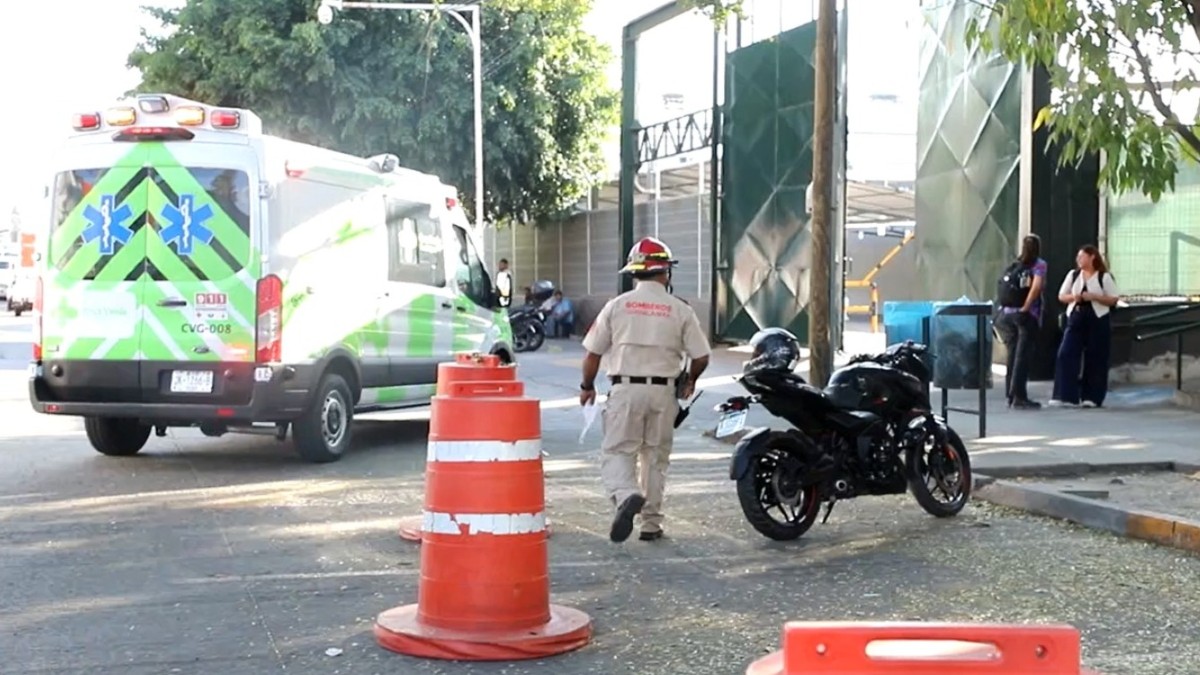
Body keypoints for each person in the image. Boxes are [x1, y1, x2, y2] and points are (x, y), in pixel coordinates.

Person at [579, 236, 711, 543]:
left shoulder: (616, 306)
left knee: (617, 451)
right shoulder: (680, 310)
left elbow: (593, 354)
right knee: (655, 457)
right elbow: (701, 356)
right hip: (664, 394)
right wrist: (690, 380)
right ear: (666, 272)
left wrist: (587, 387)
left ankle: (626, 495)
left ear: (635, 272)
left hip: (625, 390)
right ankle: (651, 524)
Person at [1050, 245, 1120, 408]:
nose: (1079, 260)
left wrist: (1094, 297)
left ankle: (1092, 396)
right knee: (1066, 353)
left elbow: (1113, 299)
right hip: (1076, 316)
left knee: (1096, 356)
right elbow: (1061, 295)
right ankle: (1065, 394)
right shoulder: (1074, 275)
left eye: (1082, 257)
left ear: (1092, 257)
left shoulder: (1104, 277)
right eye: (1078, 257)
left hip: (1098, 317)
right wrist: (1074, 297)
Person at [994, 234, 1047, 409]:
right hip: (1024, 316)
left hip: (1006, 315)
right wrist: (1026, 307)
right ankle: (1019, 395)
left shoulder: (1014, 265)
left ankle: (1010, 393)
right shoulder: (1038, 265)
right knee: (1022, 357)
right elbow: (1036, 287)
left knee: (1012, 354)